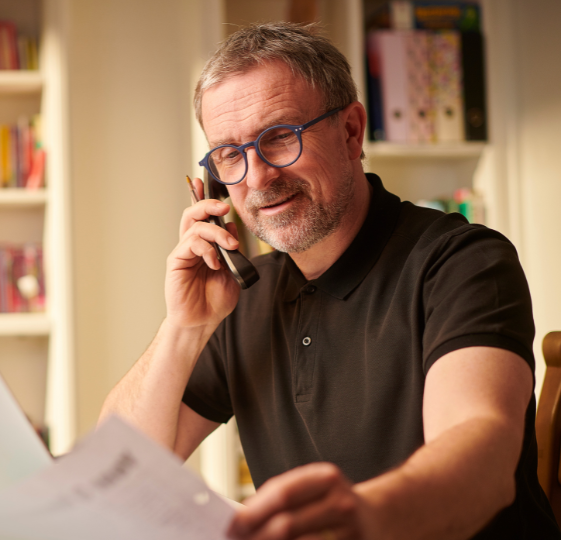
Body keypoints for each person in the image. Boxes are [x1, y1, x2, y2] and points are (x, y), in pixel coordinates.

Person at [100, 22, 561, 540]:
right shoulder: (239, 299)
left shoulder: (461, 262)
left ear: (351, 133)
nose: (256, 179)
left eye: (279, 138)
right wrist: (184, 327)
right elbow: (115, 468)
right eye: (230, 154)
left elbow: (483, 461)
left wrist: (366, 518)